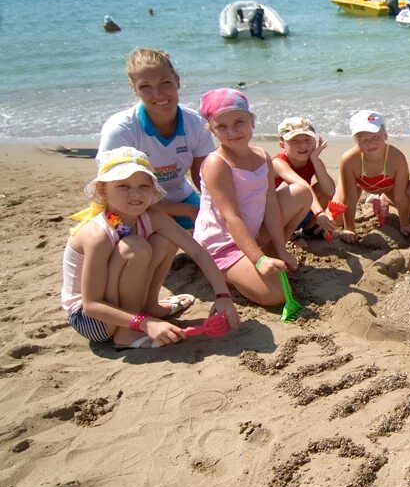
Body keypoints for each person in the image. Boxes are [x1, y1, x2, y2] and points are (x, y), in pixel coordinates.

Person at [62, 147, 239, 350]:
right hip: (93, 320)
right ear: (103, 190)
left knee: (167, 240)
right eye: (123, 186)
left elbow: (196, 250)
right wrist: (145, 324)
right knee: (135, 248)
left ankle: (150, 307)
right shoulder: (97, 235)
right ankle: (127, 333)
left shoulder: (150, 216)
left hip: (113, 308)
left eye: (144, 186)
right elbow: (91, 305)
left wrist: (223, 296)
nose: (135, 193)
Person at [194, 89, 311, 307]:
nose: (232, 131)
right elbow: (230, 217)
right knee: (277, 295)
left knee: (301, 193)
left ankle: (267, 254)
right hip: (223, 243)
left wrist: (280, 248)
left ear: (252, 121)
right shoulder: (217, 164)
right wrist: (259, 259)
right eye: (222, 126)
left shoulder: (261, 156)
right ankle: (228, 271)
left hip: (252, 233)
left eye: (239, 122)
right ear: (211, 129)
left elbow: (271, 203)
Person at [99, 48, 216, 230]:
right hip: (130, 204)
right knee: (144, 246)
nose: (158, 94)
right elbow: (113, 193)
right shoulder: (120, 129)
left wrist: (219, 207)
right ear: (134, 88)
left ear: (177, 81)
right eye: (145, 86)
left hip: (179, 195)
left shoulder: (196, 123)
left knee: (218, 224)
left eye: (165, 83)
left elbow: (204, 178)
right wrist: (181, 210)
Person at [332, 110, 410, 242]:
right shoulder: (349, 160)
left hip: (389, 186)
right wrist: (350, 228)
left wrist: (404, 224)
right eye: (362, 139)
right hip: (357, 183)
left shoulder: (396, 158)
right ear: (355, 140)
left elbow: (402, 197)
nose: (370, 143)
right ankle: (378, 197)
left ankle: (383, 198)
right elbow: (350, 199)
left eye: (375, 137)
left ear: (385, 134)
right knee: (337, 219)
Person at [271, 118, 337, 239]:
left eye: (308, 140)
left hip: (298, 215)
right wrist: (319, 213)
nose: (302, 146)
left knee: (321, 188)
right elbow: (301, 184)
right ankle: (285, 235)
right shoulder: (278, 162)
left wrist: (315, 159)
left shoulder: (313, 161)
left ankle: (310, 228)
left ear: (315, 141)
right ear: (282, 145)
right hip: (274, 218)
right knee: (291, 187)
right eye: (295, 141)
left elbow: (330, 191)